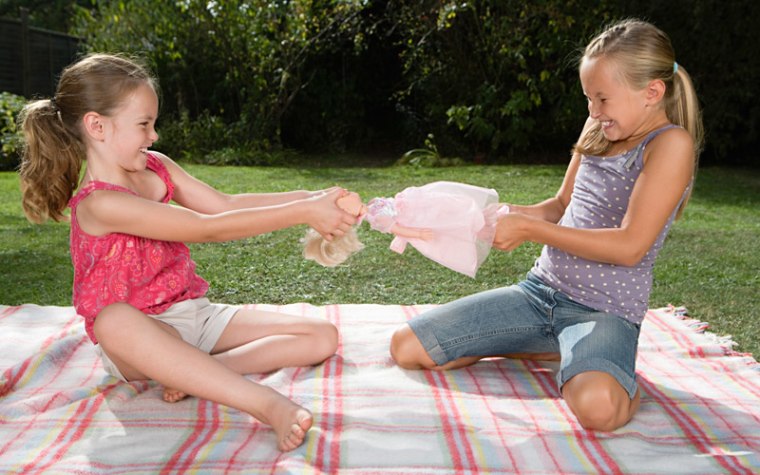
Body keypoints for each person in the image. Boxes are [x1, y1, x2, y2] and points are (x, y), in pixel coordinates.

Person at [17, 53, 358, 451]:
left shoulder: (156, 167)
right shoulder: (99, 204)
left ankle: (196, 374)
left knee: (320, 336)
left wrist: (313, 198)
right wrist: (302, 212)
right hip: (144, 337)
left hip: (193, 314)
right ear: (97, 126)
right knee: (112, 320)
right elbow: (206, 229)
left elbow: (225, 205)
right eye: (144, 124)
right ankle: (267, 405)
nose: (154, 135)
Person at [389, 19, 703, 431]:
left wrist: (530, 231)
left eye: (603, 99)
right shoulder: (598, 129)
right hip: (539, 294)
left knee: (598, 411)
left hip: (605, 312)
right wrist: (492, 216)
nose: (593, 111)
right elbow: (559, 206)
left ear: (652, 92)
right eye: (589, 98)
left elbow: (630, 245)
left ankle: (615, 371)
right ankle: (552, 345)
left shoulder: (669, 144)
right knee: (407, 346)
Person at [302, 181, 508, 277]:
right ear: (344, 213)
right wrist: (418, 234)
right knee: (447, 218)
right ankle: (484, 225)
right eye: (342, 198)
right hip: (418, 218)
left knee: (449, 204)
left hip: (417, 206)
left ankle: (483, 218)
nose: (344, 191)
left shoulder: (371, 208)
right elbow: (397, 228)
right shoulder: (376, 217)